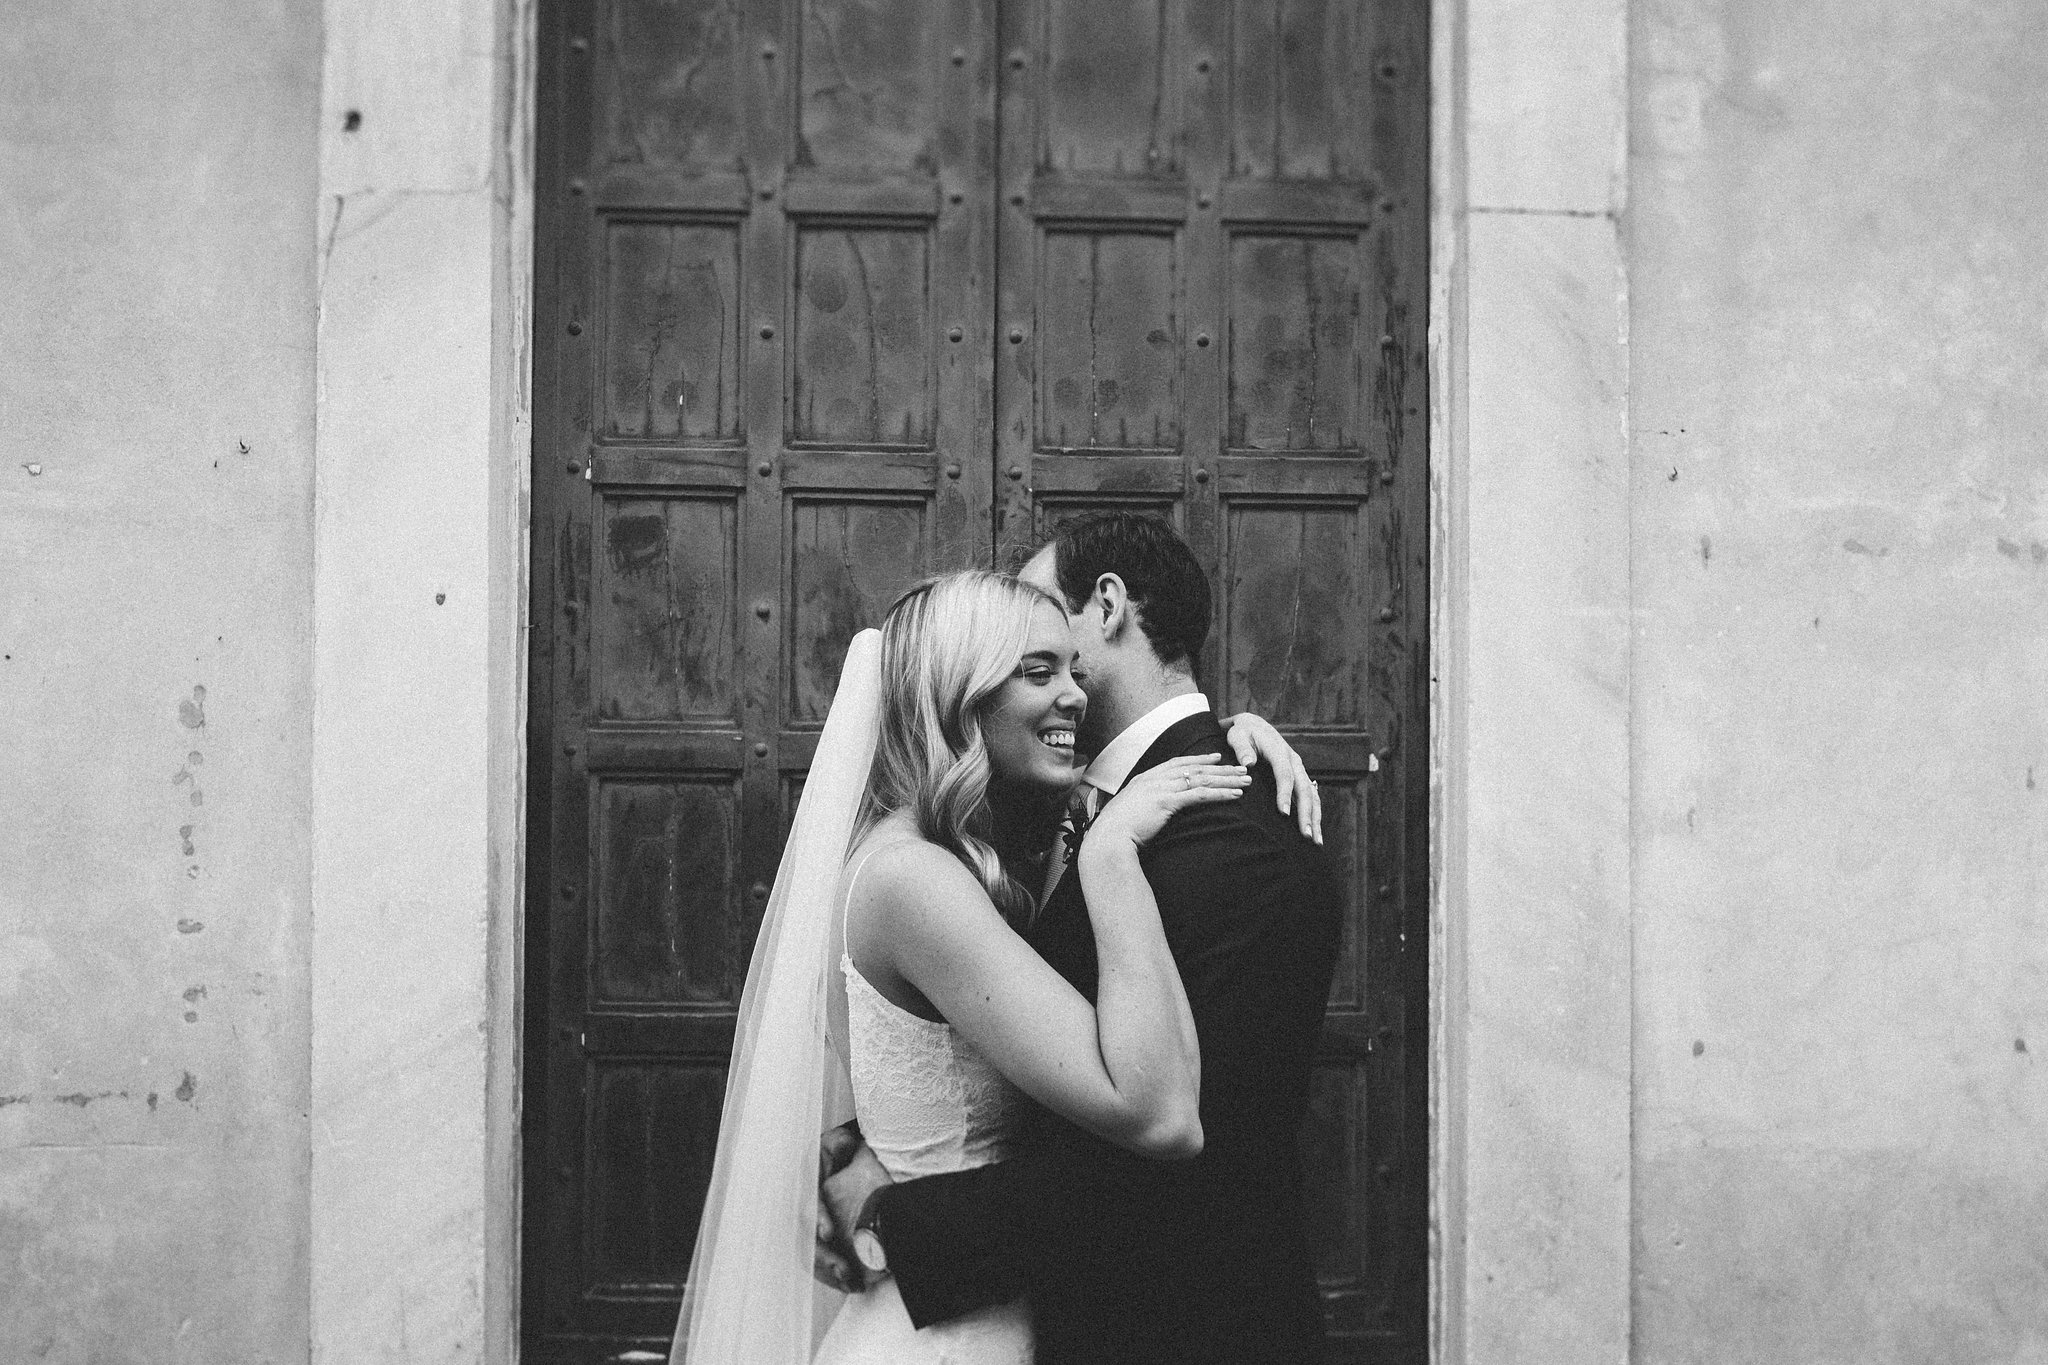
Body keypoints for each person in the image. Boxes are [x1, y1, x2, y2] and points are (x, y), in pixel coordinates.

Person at [669, 559, 1321, 1365]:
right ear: (958, 697)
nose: (1075, 695)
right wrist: (1112, 857)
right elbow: (1161, 1114)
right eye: (1037, 671)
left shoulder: (964, 854)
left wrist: (1232, 736)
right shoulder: (915, 880)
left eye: (1073, 669)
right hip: (951, 1337)